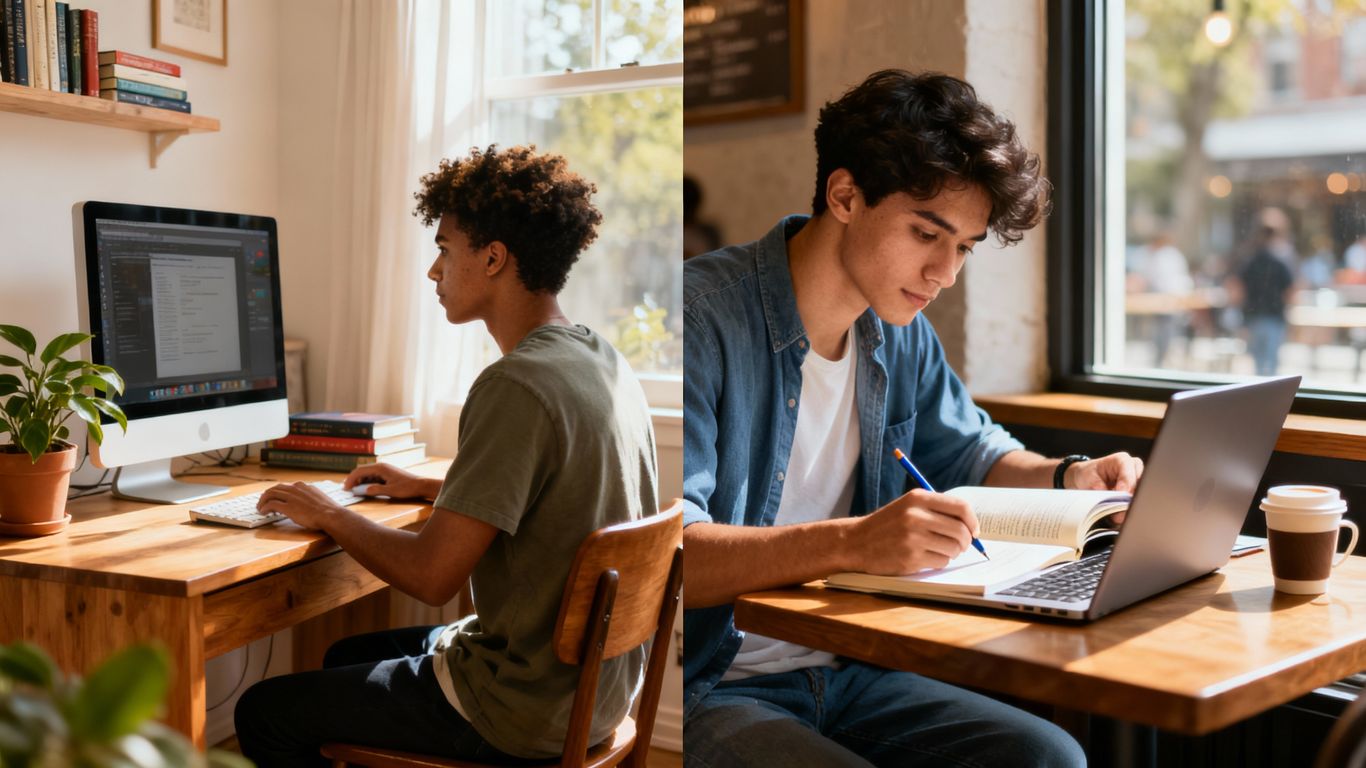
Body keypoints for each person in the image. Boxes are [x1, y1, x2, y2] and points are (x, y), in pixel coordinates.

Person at [683, 70, 1144, 768]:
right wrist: (854, 543)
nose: (945, 273)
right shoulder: (700, 320)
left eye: (963, 247)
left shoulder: (898, 332)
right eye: (927, 233)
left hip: (851, 668)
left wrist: (1068, 477)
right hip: (708, 686)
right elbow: (675, 557)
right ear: (845, 196)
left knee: (1049, 758)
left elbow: (971, 452)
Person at [234, 145, 659, 767]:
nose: (434, 271)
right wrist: (435, 489)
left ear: (493, 258)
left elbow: (433, 578)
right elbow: (565, 493)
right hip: (598, 692)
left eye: (444, 249)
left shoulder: (516, 384)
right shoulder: (598, 358)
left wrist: (328, 513)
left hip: (522, 706)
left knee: (263, 712)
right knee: (346, 656)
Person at [1234, 207, 1297, 376]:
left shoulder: (1249, 256)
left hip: (1255, 317)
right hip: (1271, 317)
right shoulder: (1282, 257)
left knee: (1259, 366)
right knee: (1269, 367)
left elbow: (1238, 288)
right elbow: (1291, 290)